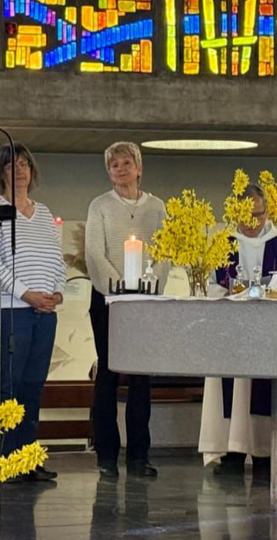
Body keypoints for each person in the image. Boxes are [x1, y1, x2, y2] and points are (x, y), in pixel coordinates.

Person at [198, 185, 277, 479]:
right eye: (245, 217)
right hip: (230, 333)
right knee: (232, 389)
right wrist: (233, 294)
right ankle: (231, 453)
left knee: (261, 391)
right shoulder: (223, 245)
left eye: (258, 215)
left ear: (267, 211)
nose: (252, 223)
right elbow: (210, 287)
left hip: (269, 335)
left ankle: (264, 454)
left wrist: (274, 294)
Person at [85, 142, 167, 479]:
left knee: (140, 379)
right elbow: (94, 253)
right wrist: (117, 289)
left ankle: (138, 456)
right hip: (108, 300)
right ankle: (106, 455)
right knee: (107, 374)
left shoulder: (157, 207)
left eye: (126, 162)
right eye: (113, 165)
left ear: (139, 167)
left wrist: (149, 288)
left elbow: (165, 251)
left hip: (145, 301)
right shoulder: (99, 206)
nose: (120, 169)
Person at [0, 144, 63, 482]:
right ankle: (5, 461)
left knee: (33, 386)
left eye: (24, 165)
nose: (19, 171)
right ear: (1, 172)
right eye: (11, 165)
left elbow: (56, 257)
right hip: (14, 310)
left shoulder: (44, 212)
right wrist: (27, 294)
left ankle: (28, 458)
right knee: (10, 387)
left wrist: (57, 293)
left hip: (45, 313)